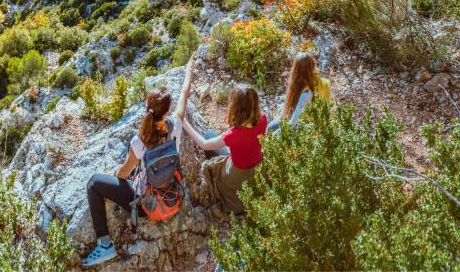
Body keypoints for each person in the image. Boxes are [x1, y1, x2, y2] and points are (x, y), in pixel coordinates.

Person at [81, 70, 194, 268]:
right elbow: (184, 94)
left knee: (93, 183)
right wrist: (189, 71)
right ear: (168, 111)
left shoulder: (139, 141)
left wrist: (118, 174)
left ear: (147, 109)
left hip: (145, 205)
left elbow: (122, 174)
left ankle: (105, 244)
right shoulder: (176, 125)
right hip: (173, 195)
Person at [182, 83, 267, 214]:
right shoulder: (263, 119)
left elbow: (204, 144)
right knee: (221, 144)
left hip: (236, 176)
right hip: (257, 169)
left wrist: (184, 123)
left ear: (236, 107)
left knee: (208, 134)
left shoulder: (233, 135)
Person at [268, 52, 330, 134]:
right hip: (317, 123)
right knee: (271, 126)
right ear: (312, 66)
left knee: (270, 129)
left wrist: (275, 135)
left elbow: (293, 122)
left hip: (306, 127)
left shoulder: (305, 92)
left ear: (296, 69)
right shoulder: (324, 83)